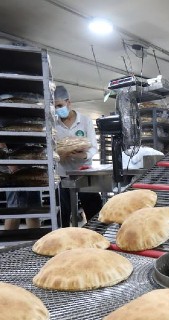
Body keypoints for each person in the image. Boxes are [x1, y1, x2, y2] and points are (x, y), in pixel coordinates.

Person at [53, 85, 103, 227]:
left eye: (60, 105)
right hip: (63, 174)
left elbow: (94, 147)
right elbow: (51, 149)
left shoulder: (85, 121)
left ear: (69, 102)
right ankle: (63, 240)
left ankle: (97, 236)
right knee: (62, 212)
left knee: (93, 210)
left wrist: (84, 155)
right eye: (55, 107)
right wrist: (58, 156)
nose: (58, 110)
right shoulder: (54, 124)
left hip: (84, 173)